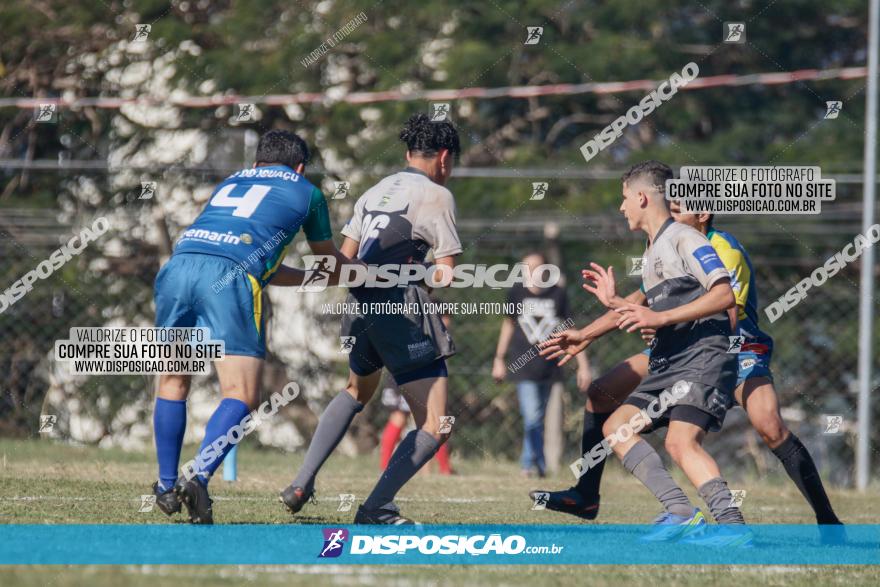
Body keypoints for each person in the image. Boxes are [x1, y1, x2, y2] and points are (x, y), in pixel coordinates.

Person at [534, 199, 842, 527]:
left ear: (702, 214)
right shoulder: (666, 246)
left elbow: (727, 311)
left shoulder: (720, 249)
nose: (668, 214)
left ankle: (827, 519)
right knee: (601, 392)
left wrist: (664, 322)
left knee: (769, 425)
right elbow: (634, 304)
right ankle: (586, 496)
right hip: (682, 343)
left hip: (732, 345)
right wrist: (586, 334)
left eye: (677, 208)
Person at [538, 160, 747, 543]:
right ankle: (680, 511)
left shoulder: (687, 238)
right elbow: (644, 305)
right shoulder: (654, 249)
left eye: (623, 199)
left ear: (641, 197)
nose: (621, 208)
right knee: (616, 427)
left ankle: (733, 528)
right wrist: (586, 332)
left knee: (680, 442)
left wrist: (663, 319)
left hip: (701, 355)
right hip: (670, 360)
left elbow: (723, 295)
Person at [151, 130, 352, 524]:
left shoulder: (233, 180)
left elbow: (266, 267)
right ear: (299, 167)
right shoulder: (307, 191)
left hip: (178, 266)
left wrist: (316, 278)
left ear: (258, 163)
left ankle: (165, 485)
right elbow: (329, 263)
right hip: (230, 278)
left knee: (173, 380)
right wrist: (363, 272)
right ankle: (199, 475)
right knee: (241, 395)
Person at [280, 113, 462, 524]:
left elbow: (342, 261)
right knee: (437, 423)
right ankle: (376, 506)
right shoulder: (437, 195)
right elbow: (447, 272)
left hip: (360, 306)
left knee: (357, 390)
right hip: (400, 309)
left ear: (407, 153)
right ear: (445, 158)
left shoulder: (374, 190)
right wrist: (419, 275)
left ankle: (301, 483)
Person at [492, 252, 590, 477]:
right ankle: (531, 465)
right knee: (532, 417)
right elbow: (508, 324)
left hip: (550, 367)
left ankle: (537, 464)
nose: (530, 272)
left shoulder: (558, 294)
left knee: (537, 418)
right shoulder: (516, 293)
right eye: (526, 267)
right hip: (522, 365)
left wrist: (583, 365)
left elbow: (571, 330)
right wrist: (499, 359)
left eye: (535, 267)